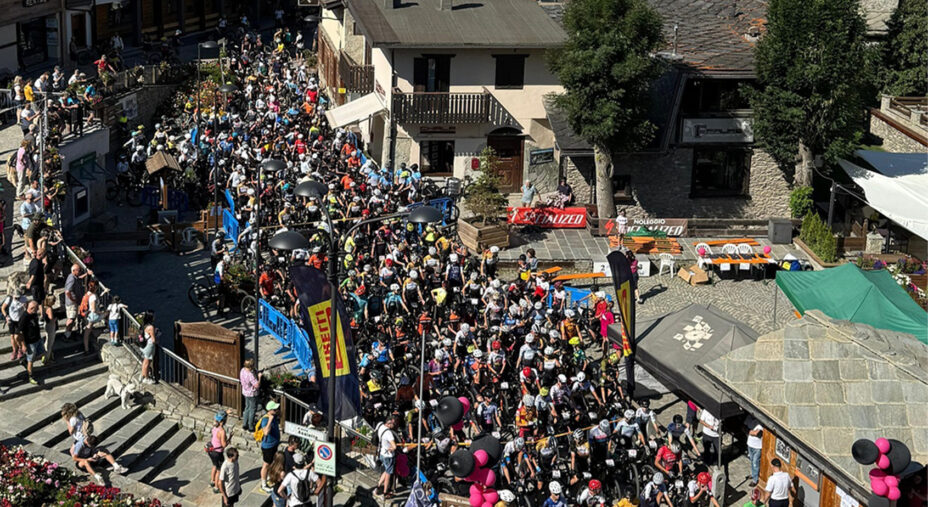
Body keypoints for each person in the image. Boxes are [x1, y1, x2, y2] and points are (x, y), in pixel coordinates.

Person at [260, 400, 282, 492]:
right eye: (275, 409)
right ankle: (263, 484)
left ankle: (269, 478)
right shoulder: (265, 419)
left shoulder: (274, 416)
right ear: (270, 410)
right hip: (268, 446)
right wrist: (270, 420)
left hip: (274, 444)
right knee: (266, 465)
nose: (277, 410)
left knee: (271, 463)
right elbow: (265, 432)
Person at [21, 301, 44, 384]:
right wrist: (23, 345)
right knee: (31, 360)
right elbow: (19, 333)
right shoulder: (24, 317)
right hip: (30, 342)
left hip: (38, 339)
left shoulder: (34, 314)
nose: (36, 310)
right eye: (34, 308)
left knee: (42, 354)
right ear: (30, 308)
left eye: (36, 308)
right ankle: (31, 376)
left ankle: (25, 362)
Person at [208, 410, 229, 494]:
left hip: (211, 451)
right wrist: (229, 439)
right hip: (218, 452)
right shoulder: (222, 431)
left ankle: (212, 481)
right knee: (219, 470)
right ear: (223, 421)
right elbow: (223, 445)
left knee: (214, 465)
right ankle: (217, 487)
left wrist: (226, 412)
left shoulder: (214, 427)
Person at [375, 416, 397, 498]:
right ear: (389, 423)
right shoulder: (389, 433)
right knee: (388, 474)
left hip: (381, 453)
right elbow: (394, 446)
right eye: (393, 424)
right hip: (388, 456)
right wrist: (391, 448)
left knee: (386, 470)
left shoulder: (381, 426)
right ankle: (385, 492)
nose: (394, 425)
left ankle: (377, 486)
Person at [240, 358, 261, 431]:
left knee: (247, 408)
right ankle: (250, 426)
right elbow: (257, 385)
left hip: (245, 392)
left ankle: (245, 424)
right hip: (252, 393)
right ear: (251, 366)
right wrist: (259, 377)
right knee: (252, 409)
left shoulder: (242, 370)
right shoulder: (250, 375)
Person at [746, 416, 763, 487]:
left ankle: (755, 480)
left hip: (757, 447)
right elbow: (743, 427)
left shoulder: (761, 424)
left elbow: (758, 434)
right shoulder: (749, 419)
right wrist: (752, 432)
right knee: (752, 460)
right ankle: (753, 474)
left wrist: (749, 431)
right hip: (750, 444)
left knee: (755, 463)